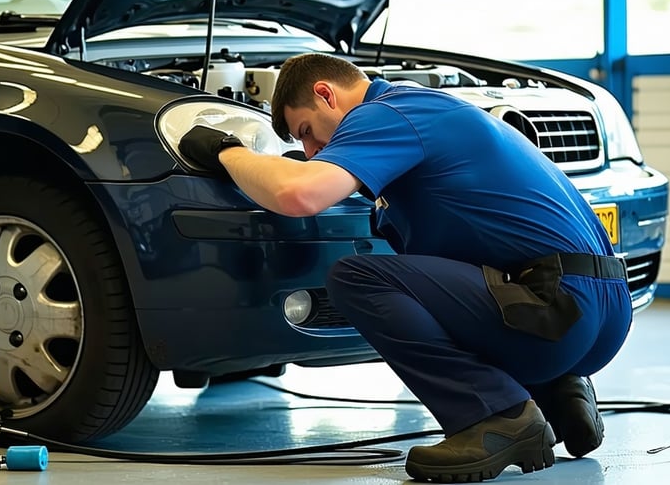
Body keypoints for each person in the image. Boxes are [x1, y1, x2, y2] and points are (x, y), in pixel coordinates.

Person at [178, 53, 633, 482]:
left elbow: (299, 196)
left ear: (326, 94)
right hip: (601, 315)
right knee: (434, 281)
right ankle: (559, 390)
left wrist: (228, 152)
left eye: (308, 131)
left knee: (356, 278)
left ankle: (497, 416)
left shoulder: (387, 113)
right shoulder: (427, 111)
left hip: (557, 311)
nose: (312, 151)